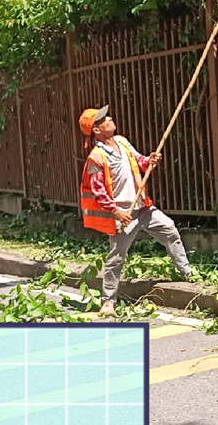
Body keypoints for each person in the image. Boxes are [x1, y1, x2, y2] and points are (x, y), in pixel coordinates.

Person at [78, 105, 195, 316]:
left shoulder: (122, 141)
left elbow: (138, 161)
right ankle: (108, 301)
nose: (110, 118)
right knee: (116, 258)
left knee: (170, 230)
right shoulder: (95, 157)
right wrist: (116, 212)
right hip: (123, 215)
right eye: (105, 119)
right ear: (96, 130)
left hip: (143, 207)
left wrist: (150, 161)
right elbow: (98, 191)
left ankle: (187, 272)